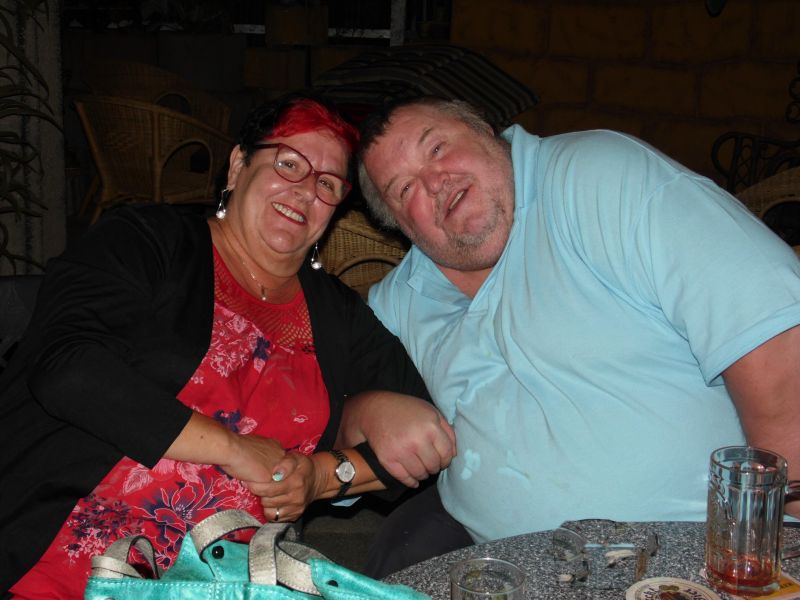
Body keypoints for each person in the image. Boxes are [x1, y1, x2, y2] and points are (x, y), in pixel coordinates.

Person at [0, 92, 456, 598]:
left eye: (327, 183)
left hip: (232, 581)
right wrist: (235, 450)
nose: (305, 190)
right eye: (289, 163)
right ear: (239, 166)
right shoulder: (148, 240)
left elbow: (424, 439)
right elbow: (67, 368)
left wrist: (322, 476)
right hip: (71, 562)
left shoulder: (336, 313)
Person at [355, 96, 800, 577]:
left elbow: (778, 348)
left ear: (485, 130)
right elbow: (329, 414)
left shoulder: (599, 178)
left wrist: (764, 552)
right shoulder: (401, 300)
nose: (434, 182)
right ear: (398, 226)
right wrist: (365, 409)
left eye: (437, 148)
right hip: (511, 570)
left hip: (689, 560)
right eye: (404, 189)